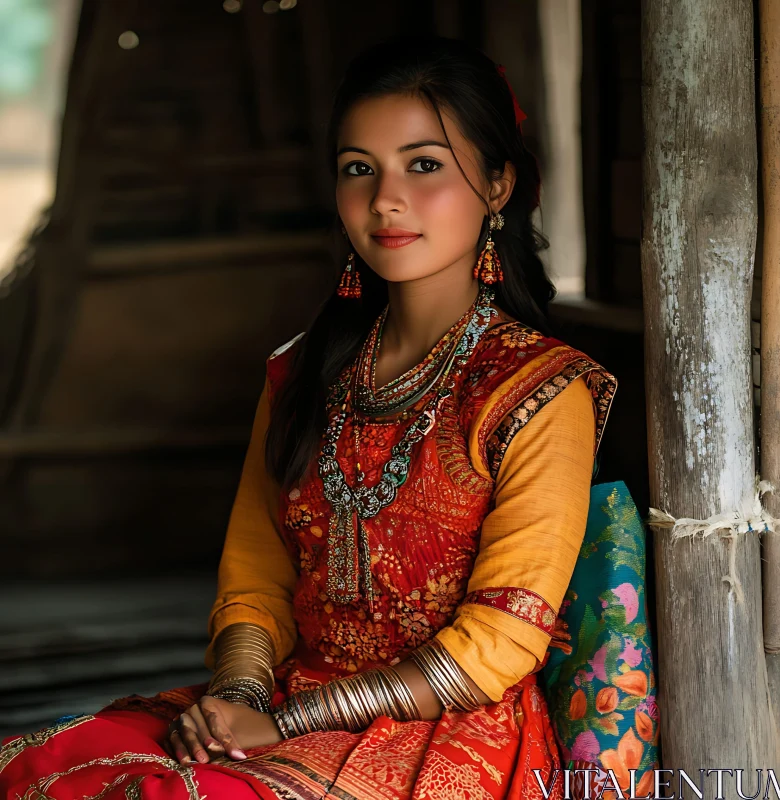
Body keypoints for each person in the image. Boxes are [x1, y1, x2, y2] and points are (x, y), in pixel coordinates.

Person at [0, 35, 617, 800]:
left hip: (449, 736)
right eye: (359, 169)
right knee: (37, 767)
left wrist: (285, 726)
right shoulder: (301, 373)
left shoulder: (543, 392)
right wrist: (240, 699)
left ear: (498, 185)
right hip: (282, 702)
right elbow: (256, 578)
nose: (385, 198)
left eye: (424, 165)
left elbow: (498, 641)